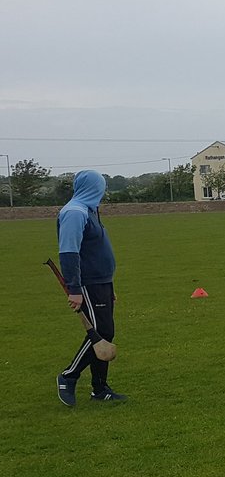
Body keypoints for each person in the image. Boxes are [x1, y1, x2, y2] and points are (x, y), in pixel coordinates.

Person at [55, 170, 125, 405]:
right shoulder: (74, 212)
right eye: (101, 186)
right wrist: (74, 288)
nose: (103, 191)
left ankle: (100, 389)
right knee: (100, 333)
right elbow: (68, 252)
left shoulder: (90, 209)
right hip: (87, 283)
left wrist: (109, 284)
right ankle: (68, 376)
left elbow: (96, 250)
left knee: (106, 332)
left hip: (102, 281)